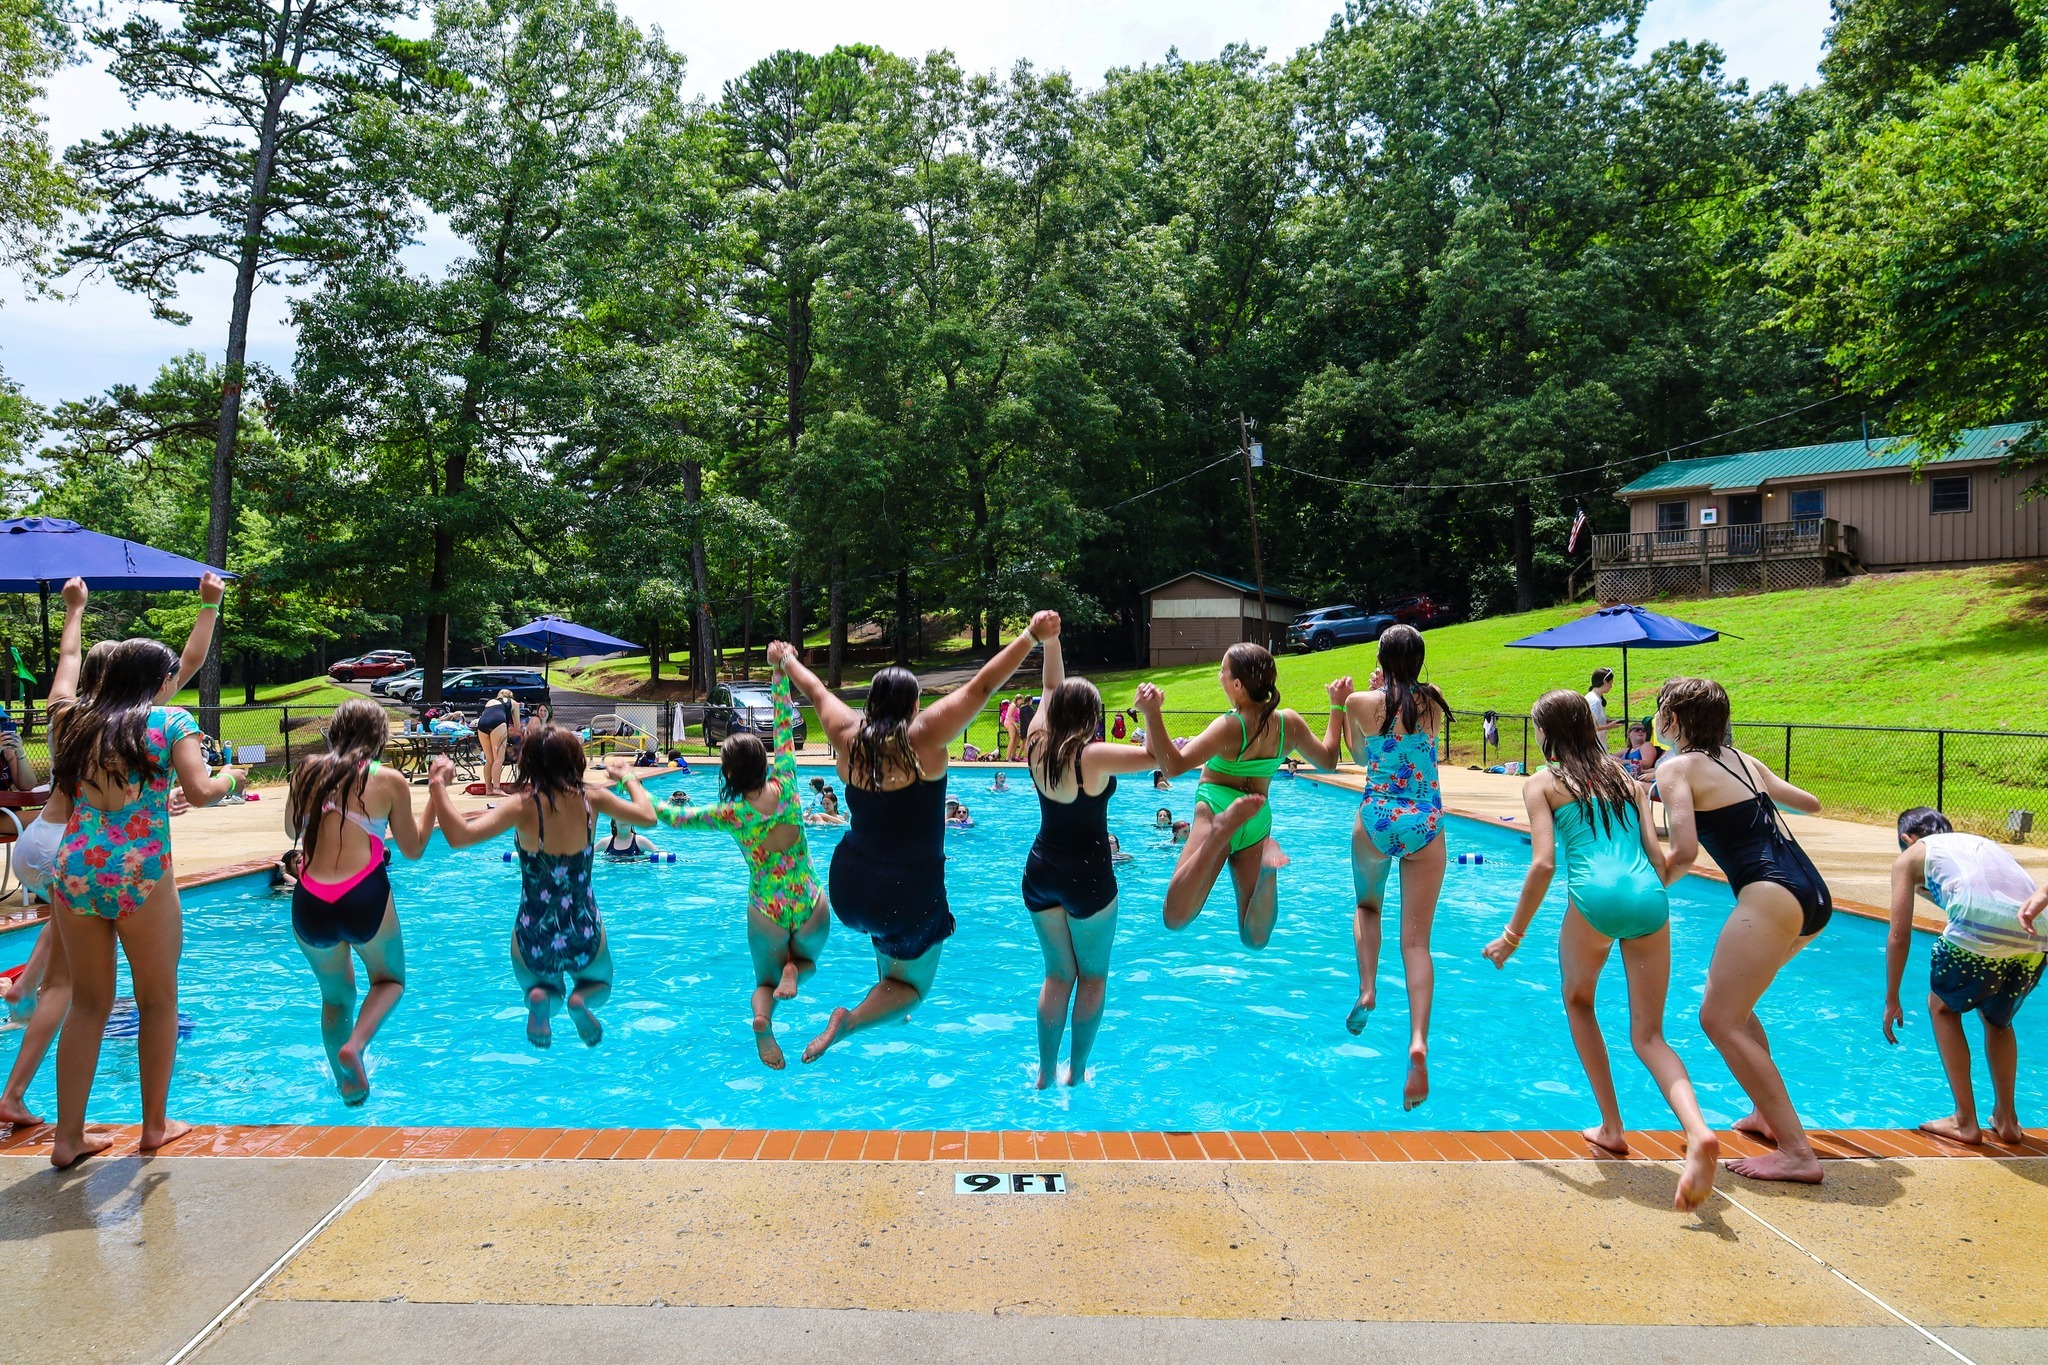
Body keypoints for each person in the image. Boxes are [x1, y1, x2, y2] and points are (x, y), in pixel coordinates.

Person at [775, 615, 1056, 1064]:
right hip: (906, 890)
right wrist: (1030, 637)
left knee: (886, 935)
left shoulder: (848, 736)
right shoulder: (923, 739)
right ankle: (850, 1021)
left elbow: (816, 691)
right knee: (914, 990)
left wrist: (786, 658)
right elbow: (983, 687)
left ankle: (885, 1001)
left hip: (849, 881)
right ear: (912, 705)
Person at [1482, 690, 1718, 1211]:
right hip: (1649, 897)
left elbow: (1543, 864)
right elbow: (1660, 857)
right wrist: (1645, 898)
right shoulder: (1629, 780)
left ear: (1546, 735)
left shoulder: (1544, 783)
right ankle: (1698, 1132)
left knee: (1579, 1001)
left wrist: (1511, 936)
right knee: (1651, 1034)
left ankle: (1612, 1126)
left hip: (1594, 899)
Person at [45, 615, 243, 1168]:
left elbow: (65, 672)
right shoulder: (168, 721)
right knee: (158, 1003)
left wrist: (73, 613)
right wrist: (235, 780)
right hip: (141, 872)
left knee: (87, 1005)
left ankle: (67, 1137)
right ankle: (155, 1125)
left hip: (77, 867)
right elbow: (202, 792)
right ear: (155, 680)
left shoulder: (72, 722)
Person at [1657, 676, 1832, 1184]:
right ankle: (1766, 1115)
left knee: (1718, 1018)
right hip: (1812, 894)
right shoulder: (1744, 760)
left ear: (1674, 720)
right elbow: (1811, 802)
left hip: (1769, 892)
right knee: (1740, 1007)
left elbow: (1685, 851)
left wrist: (1651, 891)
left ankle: (1798, 1152)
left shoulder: (1676, 768)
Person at [654, 657, 830, 1070]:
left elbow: (673, 817)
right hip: (807, 901)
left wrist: (630, 783)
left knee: (762, 984)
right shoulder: (786, 780)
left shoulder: (731, 813)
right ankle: (794, 971)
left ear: (730, 772)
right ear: (763, 760)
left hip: (765, 910)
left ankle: (763, 1019)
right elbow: (784, 718)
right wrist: (779, 668)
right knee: (807, 964)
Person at [427, 734, 654, 1050]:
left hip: (534, 929)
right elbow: (649, 817)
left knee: (545, 992)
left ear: (528, 763)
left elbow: (458, 836)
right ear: (576, 761)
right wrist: (628, 777)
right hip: (583, 924)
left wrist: (438, 786)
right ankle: (581, 1001)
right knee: (599, 985)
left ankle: (540, 1001)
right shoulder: (594, 798)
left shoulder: (522, 805)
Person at [1020, 614, 1160, 1088]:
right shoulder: (1093, 756)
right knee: (1093, 978)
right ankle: (1075, 1074)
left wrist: (1052, 641)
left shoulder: (1037, 743)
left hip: (1040, 870)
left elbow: (1049, 688)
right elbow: (1156, 759)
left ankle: (1042, 1073)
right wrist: (1151, 714)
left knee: (1057, 975)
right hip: (1088, 876)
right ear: (1091, 718)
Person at [1135, 643, 1342, 951]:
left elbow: (1174, 766)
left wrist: (1152, 713)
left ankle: (1219, 835)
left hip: (1220, 811)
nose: (1219, 677)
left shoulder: (1231, 726)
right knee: (1255, 939)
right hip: (1258, 817)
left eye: (1222, 671)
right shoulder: (1289, 723)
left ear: (1237, 684)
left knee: (1174, 917)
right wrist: (1337, 706)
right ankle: (1267, 874)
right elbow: (1328, 760)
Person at [1322, 625, 1453, 1110]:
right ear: (1419, 659)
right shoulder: (1434, 702)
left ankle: (1368, 988)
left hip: (1376, 816)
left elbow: (1357, 756)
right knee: (1417, 941)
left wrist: (1343, 700)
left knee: (1367, 906)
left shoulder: (1361, 702)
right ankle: (1418, 1040)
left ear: (1381, 657)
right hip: (1425, 821)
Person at [286, 698, 435, 1103]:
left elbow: (289, 830)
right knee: (390, 981)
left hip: (311, 901)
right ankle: (356, 1046)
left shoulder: (305, 772)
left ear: (333, 732)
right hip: (362, 894)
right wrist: (436, 793)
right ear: (380, 737)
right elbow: (414, 848)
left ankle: (347, 1084)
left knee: (335, 997)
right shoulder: (388, 780)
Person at [1885, 807, 2047, 1145]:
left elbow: (1899, 936)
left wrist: (1892, 998)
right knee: (1998, 1021)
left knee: (1942, 1007)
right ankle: (2007, 1119)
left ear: (1906, 839)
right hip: (2038, 931)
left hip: (1981, 927)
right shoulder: (1979, 843)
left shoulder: (1909, 856)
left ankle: (1965, 1121)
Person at [475, 690, 520, 796]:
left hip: (482, 725)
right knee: (498, 759)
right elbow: (517, 727)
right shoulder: (513, 703)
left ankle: (488, 789)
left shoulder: (491, 702)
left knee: (489, 760)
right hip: (498, 723)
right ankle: (496, 787)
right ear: (511, 697)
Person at [1620, 719, 1662, 788]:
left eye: (1643, 730)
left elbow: (1647, 763)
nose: (1640, 731)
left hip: (1640, 781)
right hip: (1628, 779)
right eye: (1636, 729)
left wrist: (1624, 762)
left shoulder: (1646, 745)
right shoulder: (1628, 750)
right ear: (1629, 734)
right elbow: (1610, 756)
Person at [1584, 668, 1619, 746]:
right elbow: (1590, 727)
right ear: (1605, 682)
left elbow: (1594, 720)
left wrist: (1605, 720)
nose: (1611, 686)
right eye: (1610, 683)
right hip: (1595, 744)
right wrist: (1609, 726)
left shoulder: (1592, 697)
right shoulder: (1595, 701)